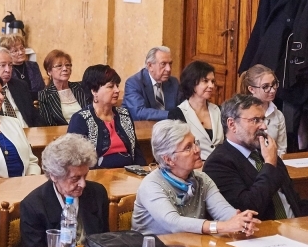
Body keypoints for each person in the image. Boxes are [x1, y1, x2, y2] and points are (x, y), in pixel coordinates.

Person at [132, 119, 261, 236]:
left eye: (195, 143)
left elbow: (223, 211)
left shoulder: (202, 179)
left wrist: (241, 220)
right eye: (188, 147)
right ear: (168, 159)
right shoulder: (151, 185)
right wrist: (222, 226)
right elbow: (173, 223)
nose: (197, 150)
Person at [203, 94, 308, 220]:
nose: (264, 126)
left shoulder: (265, 151)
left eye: (263, 119)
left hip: (295, 224)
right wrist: (269, 165)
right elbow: (248, 208)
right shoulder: (218, 163)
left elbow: (294, 201)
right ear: (232, 124)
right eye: (255, 120)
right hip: (265, 229)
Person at [20, 134, 109, 247]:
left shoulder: (97, 193)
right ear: (54, 176)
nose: (83, 184)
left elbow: (105, 243)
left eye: (85, 176)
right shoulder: (33, 206)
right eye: (75, 178)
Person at [67, 64, 147, 168]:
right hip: (97, 175)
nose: (117, 90)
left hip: (128, 173)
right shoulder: (81, 119)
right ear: (94, 91)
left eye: (117, 85)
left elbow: (136, 152)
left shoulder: (124, 114)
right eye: (110, 86)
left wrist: (143, 172)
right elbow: (76, 160)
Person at [171, 60, 223, 160]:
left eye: (212, 81)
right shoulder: (177, 114)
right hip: (194, 165)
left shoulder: (219, 110)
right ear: (192, 83)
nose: (211, 86)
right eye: (205, 81)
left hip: (221, 164)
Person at [123, 46, 180, 121]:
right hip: (141, 127)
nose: (168, 69)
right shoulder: (134, 83)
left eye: (170, 63)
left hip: (170, 127)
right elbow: (139, 112)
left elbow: (183, 108)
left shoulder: (173, 82)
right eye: (163, 64)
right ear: (150, 66)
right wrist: (170, 114)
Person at [241, 65, 287, 155]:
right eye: (265, 87)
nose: (272, 90)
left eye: (274, 84)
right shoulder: (242, 113)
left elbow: (282, 150)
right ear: (251, 89)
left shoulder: (278, 115)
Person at [37, 49, 90, 127]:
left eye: (68, 65)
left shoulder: (81, 87)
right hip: (61, 133)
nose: (65, 69)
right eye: (59, 66)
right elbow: (49, 125)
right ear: (49, 71)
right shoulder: (45, 95)